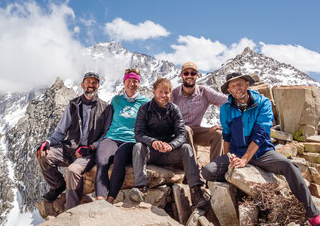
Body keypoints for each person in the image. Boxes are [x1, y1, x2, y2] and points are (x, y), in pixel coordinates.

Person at [201, 72, 320, 226]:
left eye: (239, 84)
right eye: (232, 86)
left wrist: (246, 159)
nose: (237, 88)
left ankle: (314, 216)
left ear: (247, 85)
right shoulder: (226, 109)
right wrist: (229, 157)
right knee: (207, 171)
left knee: (289, 167)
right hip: (237, 153)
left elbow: (261, 134)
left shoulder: (263, 103)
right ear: (229, 91)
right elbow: (226, 136)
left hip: (262, 152)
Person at [129, 78, 210, 208]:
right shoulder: (144, 109)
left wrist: (171, 145)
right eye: (160, 92)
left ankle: (196, 191)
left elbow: (182, 134)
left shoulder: (174, 110)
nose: (163, 95)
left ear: (170, 93)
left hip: (169, 153)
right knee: (138, 147)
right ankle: (141, 188)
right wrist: (153, 141)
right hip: (151, 152)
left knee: (186, 148)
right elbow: (138, 134)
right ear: (154, 92)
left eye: (167, 92)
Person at [35, 72, 111, 209]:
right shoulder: (73, 105)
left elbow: (106, 135)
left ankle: (72, 210)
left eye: (94, 83)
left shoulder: (105, 108)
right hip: (70, 148)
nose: (91, 85)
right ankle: (57, 185)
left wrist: (91, 147)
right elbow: (60, 131)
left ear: (98, 85)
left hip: (89, 152)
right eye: (88, 82)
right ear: (82, 85)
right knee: (43, 155)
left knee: (72, 171)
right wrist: (47, 142)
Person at [94, 68, 149, 203]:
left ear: (138, 83)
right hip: (112, 137)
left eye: (135, 81)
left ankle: (110, 198)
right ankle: (100, 199)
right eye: (129, 80)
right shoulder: (116, 100)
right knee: (102, 160)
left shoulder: (145, 102)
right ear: (124, 83)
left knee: (119, 158)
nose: (132, 84)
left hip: (131, 140)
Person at [171, 61, 228, 163]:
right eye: (186, 73)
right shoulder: (173, 94)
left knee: (219, 134)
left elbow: (226, 102)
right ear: (181, 75)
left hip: (197, 131)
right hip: (178, 133)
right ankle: (193, 169)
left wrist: (223, 125)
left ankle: (214, 170)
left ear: (197, 75)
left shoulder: (204, 92)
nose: (189, 76)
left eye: (193, 73)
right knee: (186, 129)